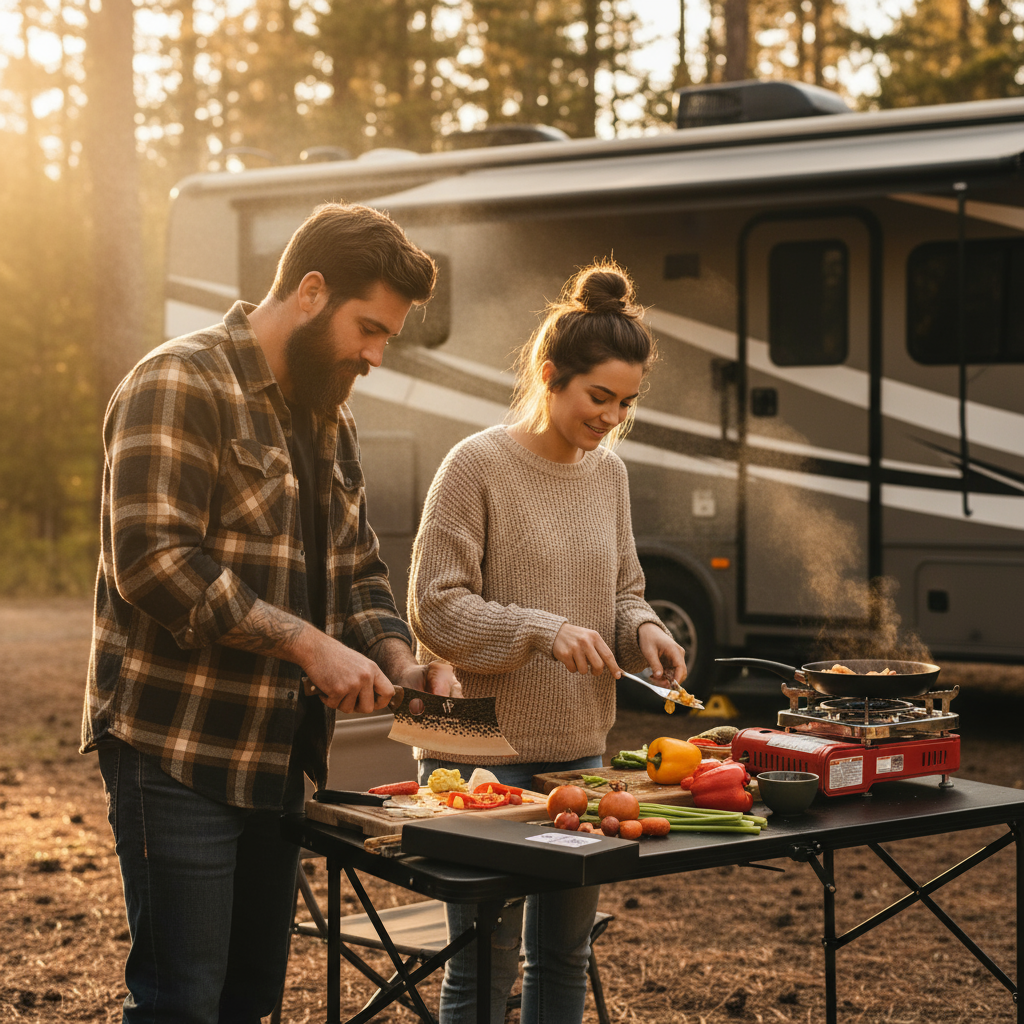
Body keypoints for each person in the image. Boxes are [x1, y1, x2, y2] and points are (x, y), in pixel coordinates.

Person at [81, 201, 460, 1024]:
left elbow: (357, 568)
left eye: (387, 337)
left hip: (281, 760)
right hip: (177, 751)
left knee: (249, 1001)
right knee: (181, 1003)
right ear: (311, 291)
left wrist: (400, 659)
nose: (376, 355)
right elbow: (151, 559)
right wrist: (306, 645)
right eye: (369, 328)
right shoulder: (178, 381)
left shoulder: (329, 415)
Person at [407, 260, 689, 1024]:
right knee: (483, 965)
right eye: (599, 397)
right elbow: (434, 609)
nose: (612, 418)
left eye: (626, 403)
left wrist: (645, 628)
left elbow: (623, 591)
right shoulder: (475, 465)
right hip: (476, 751)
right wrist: (541, 629)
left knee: (564, 957)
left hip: (577, 753)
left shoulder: (610, 476)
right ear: (549, 375)